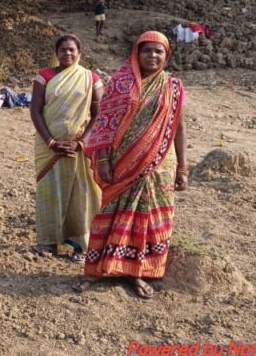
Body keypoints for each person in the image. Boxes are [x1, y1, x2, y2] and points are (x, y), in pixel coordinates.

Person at [73, 31, 188, 300]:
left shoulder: (173, 87)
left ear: (166, 55)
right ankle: (98, 269)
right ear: (136, 53)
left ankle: (136, 272)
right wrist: (102, 159)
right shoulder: (121, 84)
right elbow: (104, 124)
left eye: (158, 51)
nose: (152, 55)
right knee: (113, 212)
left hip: (159, 163)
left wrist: (183, 167)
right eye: (147, 50)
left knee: (147, 216)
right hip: (121, 162)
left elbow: (179, 127)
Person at [29, 34, 103, 263]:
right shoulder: (44, 76)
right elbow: (35, 111)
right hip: (48, 147)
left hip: (78, 148)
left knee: (80, 194)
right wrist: (51, 142)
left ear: (79, 53)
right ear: (56, 52)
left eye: (72, 50)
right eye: (63, 50)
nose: (67, 54)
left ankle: (80, 245)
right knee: (49, 190)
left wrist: (81, 143)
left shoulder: (90, 78)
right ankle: (48, 241)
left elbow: (99, 114)